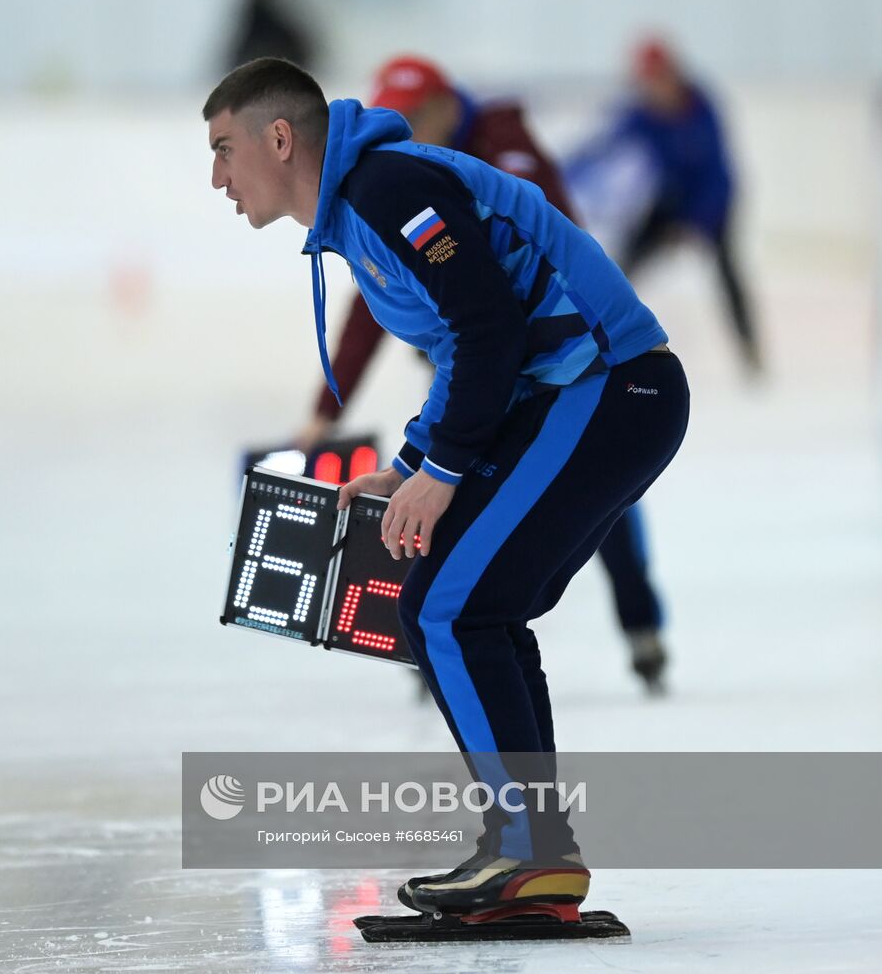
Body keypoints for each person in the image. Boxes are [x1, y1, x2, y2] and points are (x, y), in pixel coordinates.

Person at [203, 58, 689, 918]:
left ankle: (529, 851)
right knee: (465, 605)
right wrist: (414, 460)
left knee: (450, 608)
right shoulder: (359, 211)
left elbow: (489, 326)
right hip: (581, 395)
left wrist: (442, 470)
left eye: (223, 149)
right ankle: (536, 858)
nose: (217, 178)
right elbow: (469, 348)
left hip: (613, 387)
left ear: (279, 139)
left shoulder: (387, 188)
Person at [294, 55, 671, 691]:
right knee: (457, 485)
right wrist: (327, 409)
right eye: (396, 115)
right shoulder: (390, 179)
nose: (405, 127)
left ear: (447, 106)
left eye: (415, 115)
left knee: (597, 495)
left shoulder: (494, 156)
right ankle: (438, 636)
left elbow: (517, 268)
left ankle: (639, 624)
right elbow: (370, 300)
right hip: (473, 365)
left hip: (565, 363)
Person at [567, 36, 763, 377]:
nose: (653, 89)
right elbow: (601, 147)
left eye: (658, 79)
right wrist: (561, 171)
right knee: (623, 266)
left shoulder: (702, 110)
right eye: (646, 82)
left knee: (729, 273)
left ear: (674, 74)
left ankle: (750, 351)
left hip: (712, 205)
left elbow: (719, 177)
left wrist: (697, 224)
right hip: (668, 203)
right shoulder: (641, 114)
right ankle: (600, 337)